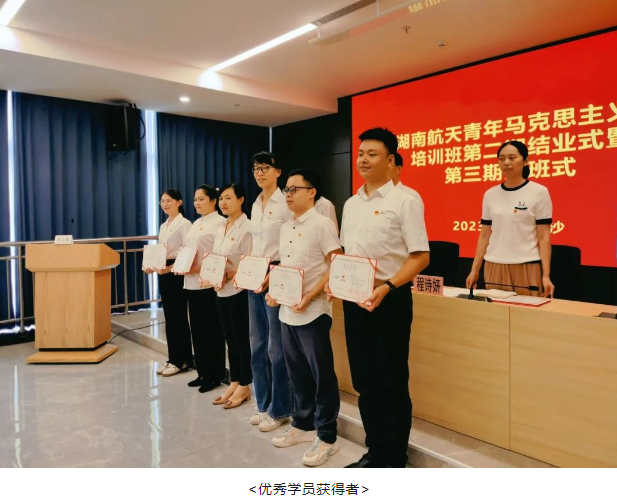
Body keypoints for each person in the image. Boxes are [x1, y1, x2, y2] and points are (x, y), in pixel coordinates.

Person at [337, 127, 430, 468]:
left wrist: (388, 286)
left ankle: (393, 458)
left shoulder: (406, 200)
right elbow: (347, 252)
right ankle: (375, 450)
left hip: (389, 299)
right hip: (355, 300)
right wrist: (337, 281)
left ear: (391, 161)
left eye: (372, 154)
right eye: (361, 153)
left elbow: (420, 256)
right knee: (364, 380)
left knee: (391, 381)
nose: (363, 159)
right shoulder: (351, 203)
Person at [265, 169, 342, 467]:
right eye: (286, 189)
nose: (288, 194)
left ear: (312, 192)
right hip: (287, 311)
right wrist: (275, 292)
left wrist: (310, 296)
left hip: (313, 311)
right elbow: (286, 267)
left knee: (321, 375)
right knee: (296, 372)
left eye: (294, 189)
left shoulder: (322, 224)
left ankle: (327, 436)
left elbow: (335, 264)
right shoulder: (286, 227)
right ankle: (302, 424)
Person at [466, 140, 555, 297]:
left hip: (526, 264)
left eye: (512, 158)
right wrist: (474, 270)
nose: (506, 162)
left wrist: (546, 275)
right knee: (494, 311)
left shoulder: (539, 192)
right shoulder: (490, 194)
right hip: (494, 265)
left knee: (526, 311)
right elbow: (484, 235)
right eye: (502, 159)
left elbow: (544, 237)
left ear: (525, 161)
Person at [248, 152, 294, 431]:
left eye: (265, 168)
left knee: (276, 348)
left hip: (276, 273)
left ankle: (280, 409)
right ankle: (263, 404)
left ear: (278, 172)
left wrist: (275, 273)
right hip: (255, 273)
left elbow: (290, 245)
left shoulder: (285, 202)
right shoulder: (256, 204)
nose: (260, 172)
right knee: (257, 344)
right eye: (256, 169)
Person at [175, 185, 226, 393]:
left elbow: (217, 256)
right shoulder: (196, 223)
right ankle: (203, 372)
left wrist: (195, 268)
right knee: (197, 329)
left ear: (213, 201)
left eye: (201, 199)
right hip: (190, 282)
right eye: (195, 199)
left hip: (207, 283)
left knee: (212, 330)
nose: (196, 203)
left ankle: (215, 375)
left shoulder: (220, 222)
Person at [210, 183, 253, 409]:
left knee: (241, 340)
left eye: (228, 198)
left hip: (239, 291)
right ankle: (235, 381)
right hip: (221, 290)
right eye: (221, 199)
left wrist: (228, 275)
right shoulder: (221, 226)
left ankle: (245, 385)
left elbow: (250, 260)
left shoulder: (248, 227)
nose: (223, 203)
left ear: (241, 200)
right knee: (229, 338)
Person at [145, 189, 193, 377]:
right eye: (162, 201)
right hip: (164, 271)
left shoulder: (185, 224)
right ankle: (173, 357)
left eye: (168, 201)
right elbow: (160, 250)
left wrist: (170, 268)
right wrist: (152, 264)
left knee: (179, 317)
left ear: (179, 202)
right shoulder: (164, 225)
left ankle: (182, 360)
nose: (164, 204)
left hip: (176, 272)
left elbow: (187, 252)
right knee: (170, 317)